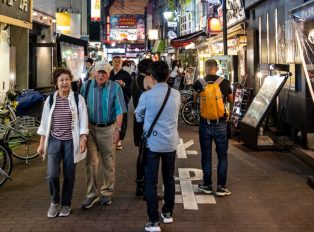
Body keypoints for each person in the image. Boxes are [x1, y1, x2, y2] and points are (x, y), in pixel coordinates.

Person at [135, 61, 181, 232]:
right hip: (170, 142)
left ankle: (153, 221)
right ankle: (168, 213)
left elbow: (139, 117)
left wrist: (144, 116)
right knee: (169, 179)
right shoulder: (176, 94)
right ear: (168, 76)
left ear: (152, 77)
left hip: (152, 143)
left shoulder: (146, 96)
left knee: (151, 182)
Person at [37, 67, 89, 218]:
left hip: (71, 142)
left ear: (70, 81)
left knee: (69, 174)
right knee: (52, 174)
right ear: (56, 83)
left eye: (67, 79)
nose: (64, 83)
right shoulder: (50, 100)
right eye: (61, 80)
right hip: (54, 140)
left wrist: (83, 138)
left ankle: (66, 204)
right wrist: (41, 143)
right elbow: (45, 123)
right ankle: (54, 202)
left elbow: (84, 120)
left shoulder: (78, 99)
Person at [80, 60, 127, 208]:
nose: (101, 75)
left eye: (104, 72)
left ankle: (107, 192)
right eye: (98, 72)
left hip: (108, 128)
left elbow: (120, 110)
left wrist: (118, 130)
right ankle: (91, 194)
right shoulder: (86, 86)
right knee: (90, 163)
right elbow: (81, 107)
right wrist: (81, 132)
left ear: (109, 74)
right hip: (90, 129)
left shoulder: (115, 87)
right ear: (94, 73)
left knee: (108, 161)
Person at [193, 59, 233, 197]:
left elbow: (194, 100)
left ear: (205, 68)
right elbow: (231, 100)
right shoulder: (225, 82)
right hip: (220, 123)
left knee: (206, 156)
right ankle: (221, 187)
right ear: (217, 68)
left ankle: (207, 185)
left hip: (205, 123)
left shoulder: (199, 82)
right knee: (222, 156)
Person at [131, 59, 155, 198]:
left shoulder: (135, 80)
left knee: (141, 153)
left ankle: (139, 184)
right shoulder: (147, 79)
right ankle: (146, 187)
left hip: (137, 119)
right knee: (147, 154)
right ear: (147, 70)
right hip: (146, 120)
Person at [110, 56, 132, 150]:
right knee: (110, 118)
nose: (117, 63)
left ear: (122, 63)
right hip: (109, 100)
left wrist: (123, 84)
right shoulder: (108, 74)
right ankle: (110, 139)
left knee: (121, 120)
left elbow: (131, 88)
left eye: (119, 61)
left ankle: (119, 140)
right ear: (112, 63)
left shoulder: (126, 75)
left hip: (122, 100)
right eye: (115, 61)